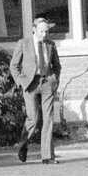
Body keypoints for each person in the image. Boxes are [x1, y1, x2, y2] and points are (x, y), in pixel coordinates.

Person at [10, 14, 62, 164]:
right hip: (30, 84)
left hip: (47, 83)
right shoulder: (23, 44)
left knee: (48, 119)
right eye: (41, 31)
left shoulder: (50, 45)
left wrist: (55, 80)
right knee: (33, 118)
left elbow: (57, 65)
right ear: (34, 30)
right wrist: (20, 81)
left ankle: (47, 156)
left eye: (46, 31)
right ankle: (23, 144)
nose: (44, 34)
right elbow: (14, 65)